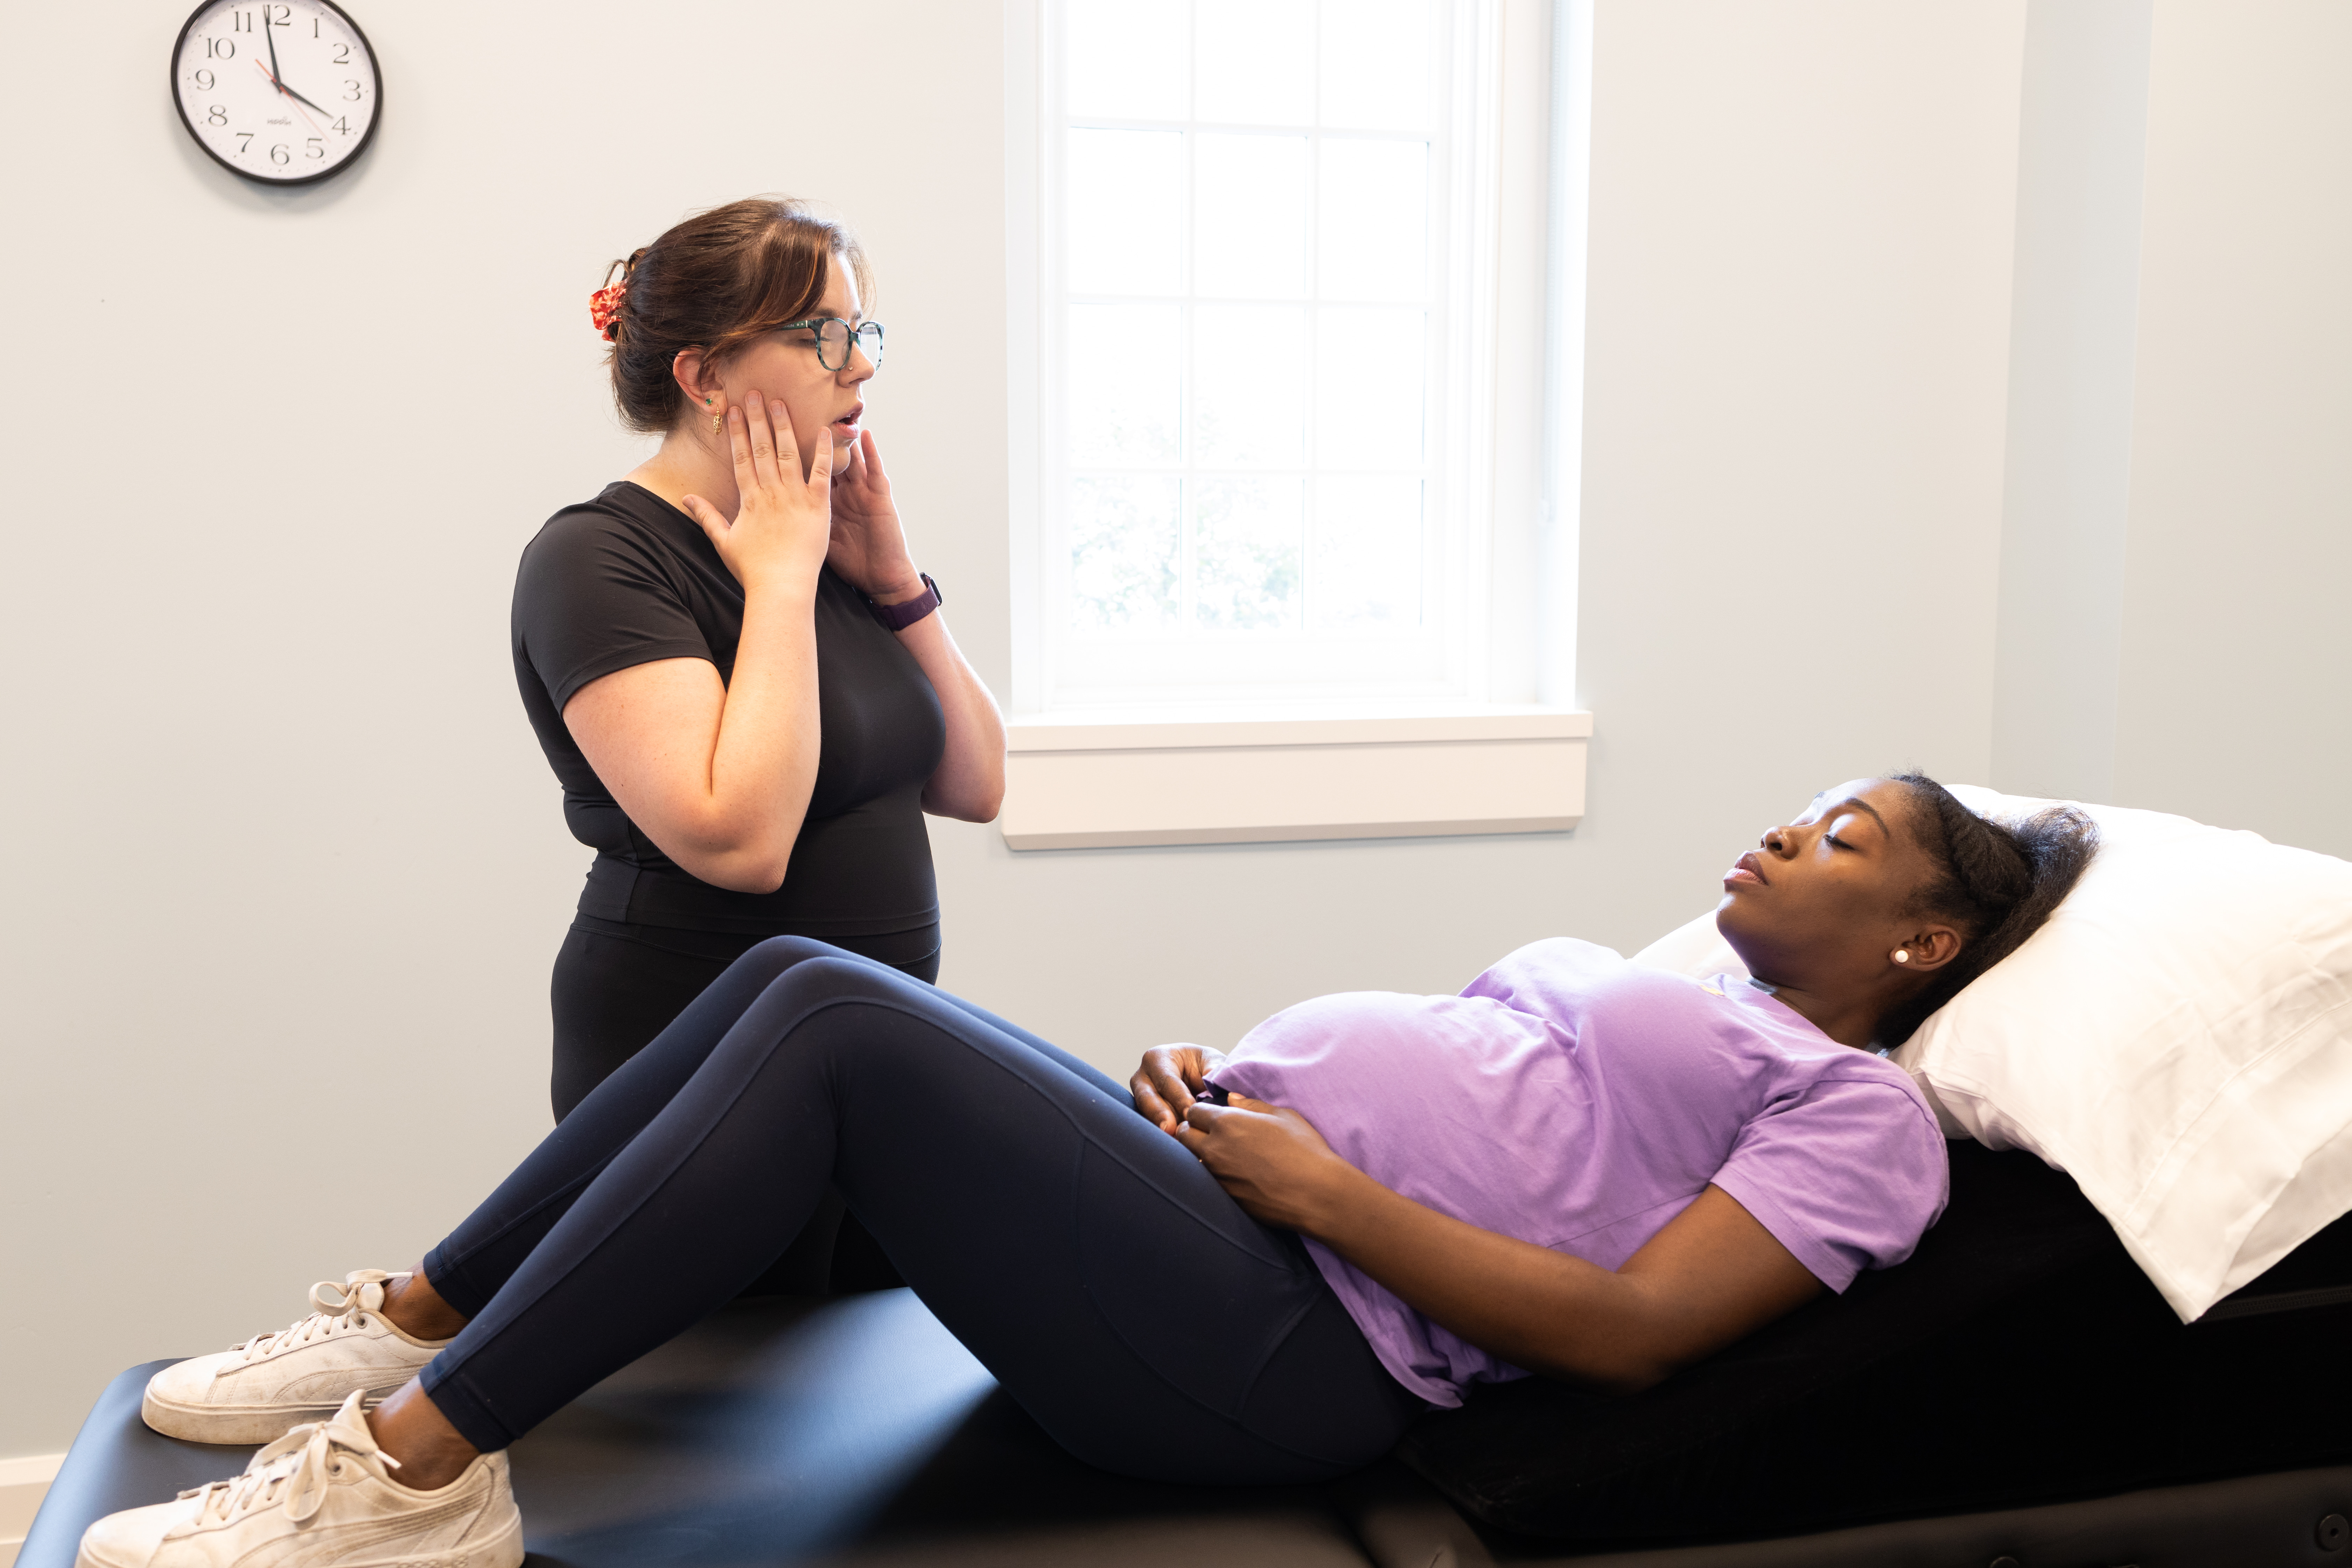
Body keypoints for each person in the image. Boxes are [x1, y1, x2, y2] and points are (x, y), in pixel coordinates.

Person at [85, 776, 2094, 1568]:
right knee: (795, 975)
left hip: (1300, 1350)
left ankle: (421, 1478)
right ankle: (417, 1321)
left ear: (1924, 940)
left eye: (1843, 836)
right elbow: (1502, 1104)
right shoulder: (1696, 990)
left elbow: (1643, 1330)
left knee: (832, 1014)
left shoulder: (1866, 1122)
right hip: (1229, 1215)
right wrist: (1229, 1095)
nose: (1784, 831)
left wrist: (1325, 1193)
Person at [517, 197, 1005, 1124]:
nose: (860, 365)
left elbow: (977, 787)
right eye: (822, 335)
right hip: (684, 1062)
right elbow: (742, 844)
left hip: (865, 1063)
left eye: (860, 330)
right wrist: (780, 582)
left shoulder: (823, 540)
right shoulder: (595, 557)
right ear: (704, 377)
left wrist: (896, 583)